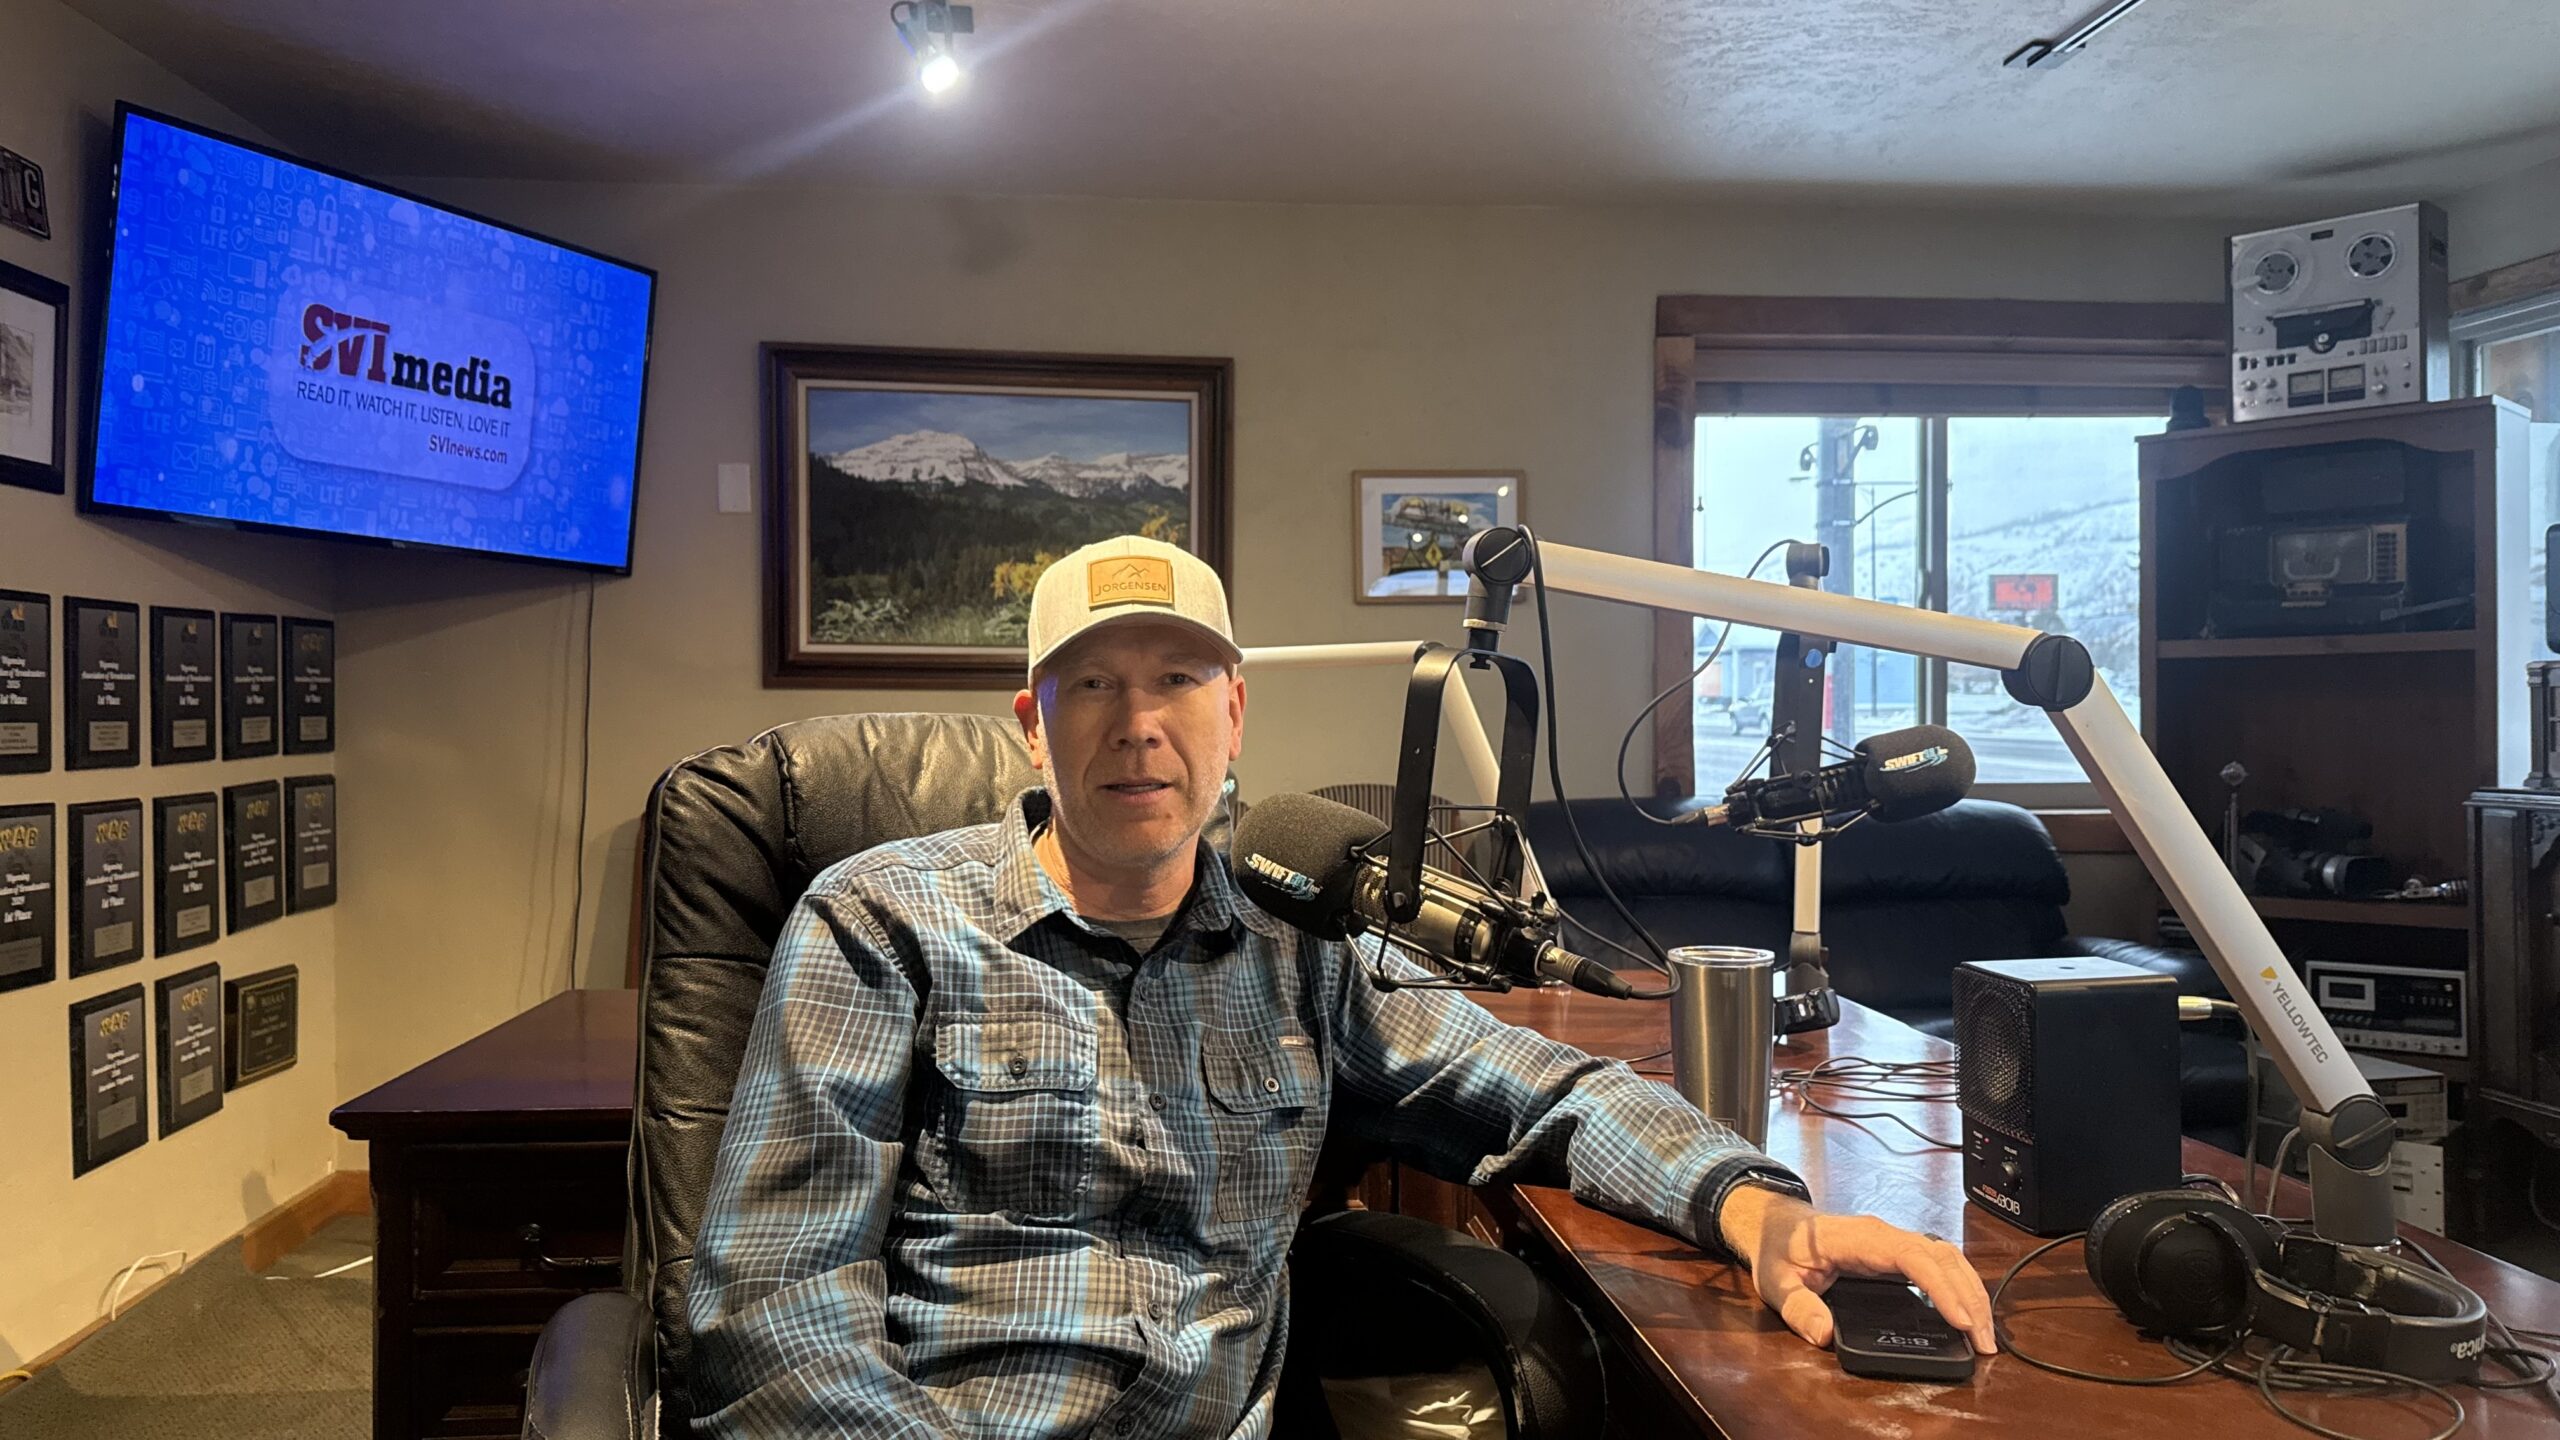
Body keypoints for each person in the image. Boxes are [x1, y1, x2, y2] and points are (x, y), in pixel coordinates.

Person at [687, 534, 1996, 1439]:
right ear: (1033, 726)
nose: (1138, 723)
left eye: (1178, 680)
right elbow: (773, 1312)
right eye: (1091, 685)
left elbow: (1549, 1090)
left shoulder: (1299, 937)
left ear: (1235, 713)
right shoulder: (882, 921)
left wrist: (1756, 1211)